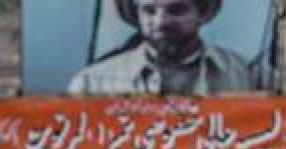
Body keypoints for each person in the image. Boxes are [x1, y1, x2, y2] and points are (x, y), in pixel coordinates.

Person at [68, 0, 255, 96]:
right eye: (149, 11)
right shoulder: (90, 84)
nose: (161, 22)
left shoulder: (246, 75)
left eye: (176, 10)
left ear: (203, 13)